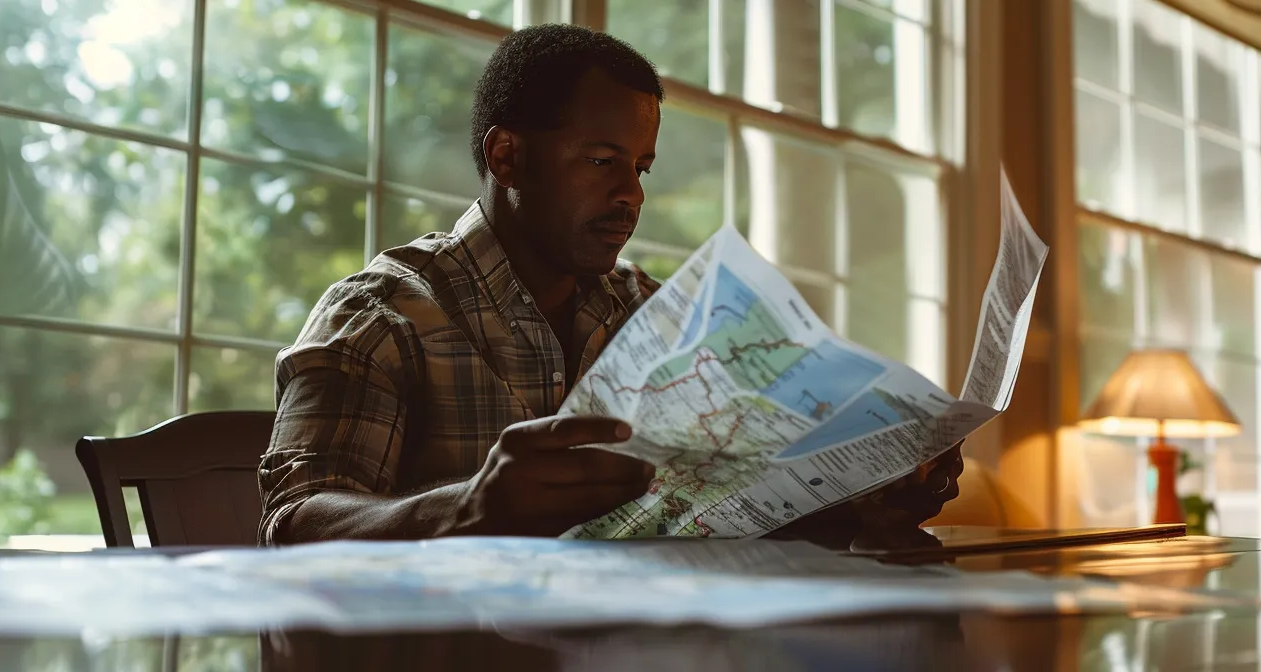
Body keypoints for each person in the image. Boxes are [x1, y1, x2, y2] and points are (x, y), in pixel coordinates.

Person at [258, 23, 961, 547]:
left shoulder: (662, 318)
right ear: (507, 155)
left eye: (641, 168)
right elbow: (290, 525)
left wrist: (865, 501)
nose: (631, 194)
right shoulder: (380, 315)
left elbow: (723, 509)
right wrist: (468, 507)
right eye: (602, 161)